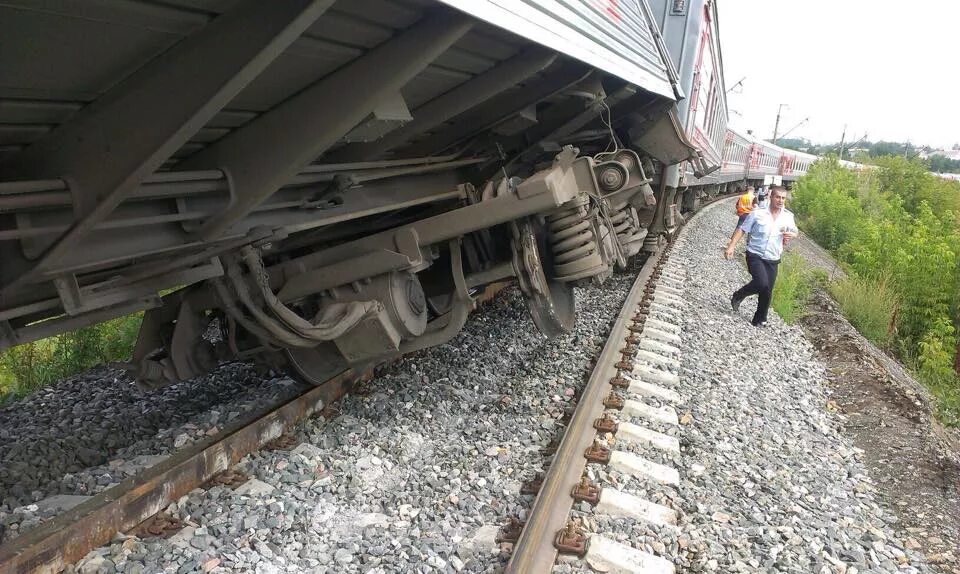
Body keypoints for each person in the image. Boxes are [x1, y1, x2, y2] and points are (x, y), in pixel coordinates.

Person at [723, 186, 798, 327]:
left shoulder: (788, 217)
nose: (780, 200)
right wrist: (731, 246)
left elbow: (795, 231)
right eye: (778, 197)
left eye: (783, 198)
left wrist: (792, 235)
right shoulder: (757, 213)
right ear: (771, 197)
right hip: (755, 255)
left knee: (767, 290)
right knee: (762, 283)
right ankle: (739, 295)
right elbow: (742, 230)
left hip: (773, 257)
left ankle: (759, 319)